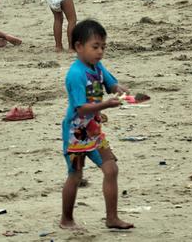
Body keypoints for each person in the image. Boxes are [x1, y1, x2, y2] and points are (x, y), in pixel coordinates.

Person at [60, 19, 133, 231]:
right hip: (75, 134)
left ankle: (112, 218)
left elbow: (110, 84)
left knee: (111, 169)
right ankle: (66, 219)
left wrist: (119, 89)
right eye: (95, 47)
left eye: (103, 47)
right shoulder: (76, 74)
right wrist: (105, 105)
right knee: (75, 175)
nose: (100, 52)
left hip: (94, 130)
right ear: (78, 46)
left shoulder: (97, 67)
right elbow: (81, 108)